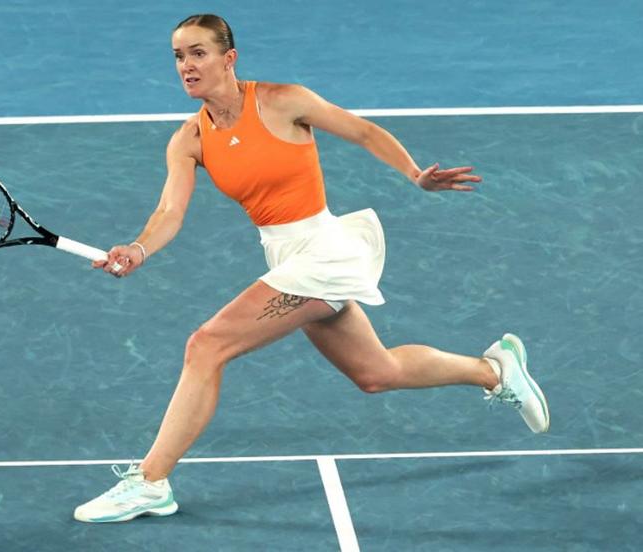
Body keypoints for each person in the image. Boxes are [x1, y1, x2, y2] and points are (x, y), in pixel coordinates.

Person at [73, 13, 549, 524]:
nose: (186, 66)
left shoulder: (282, 101)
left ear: (228, 59)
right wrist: (139, 248)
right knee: (375, 372)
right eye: (178, 56)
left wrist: (415, 175)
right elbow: (169, 212)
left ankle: (151, 482)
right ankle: (494, 370)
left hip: (324, 251)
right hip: (285, 256)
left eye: (198, 53)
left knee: (206, 346)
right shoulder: (189, 140)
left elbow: (362, 131)